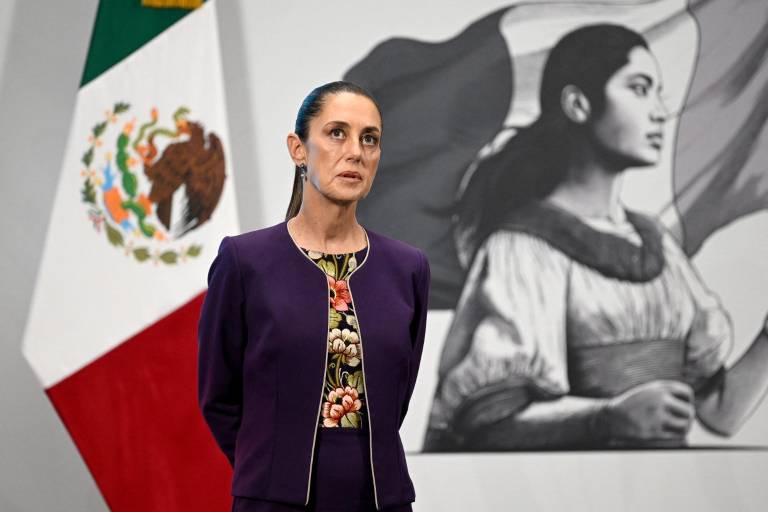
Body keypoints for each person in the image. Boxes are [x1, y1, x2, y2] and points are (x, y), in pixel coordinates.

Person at [423, 24, 768, 451]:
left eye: (658, 92)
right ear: (578, 104)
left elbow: (719, 412)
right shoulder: (523, 248)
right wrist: (608, 418)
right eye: (640, 89)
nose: (660, 111)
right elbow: (488, 423)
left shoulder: (655, 243)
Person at [198, 81, 430, 510]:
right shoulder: (244, 261)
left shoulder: (407, 267)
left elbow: (398, 394)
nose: (356, 151)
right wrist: (267, 466)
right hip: (273, 498)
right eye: (336, 132)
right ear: (298, 148)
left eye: (370, 139)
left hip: (382, 498)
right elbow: (218, 397)